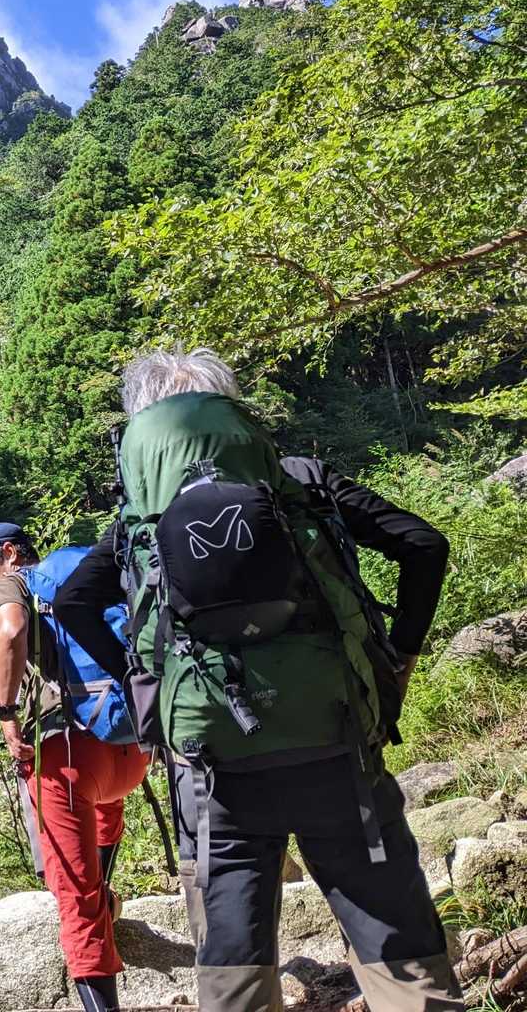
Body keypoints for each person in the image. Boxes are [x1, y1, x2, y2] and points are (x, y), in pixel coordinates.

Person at [54, 348, 462, 1012]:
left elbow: (74, 602)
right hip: (335, 747)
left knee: (235, 972)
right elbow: (423, 544)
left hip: (214, 775)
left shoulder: (140, 522)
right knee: (403, 955)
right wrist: (399, 661)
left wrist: (147, 689)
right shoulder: (302, 481)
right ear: (231, 412)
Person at [0, 525, 149, 1012]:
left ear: (8, 553)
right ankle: (105, 889)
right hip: (131, 749)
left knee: (75, 897)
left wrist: (6, 714)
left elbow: (11, 632)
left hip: (67, 758)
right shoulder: (85, 570)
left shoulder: (13, 583)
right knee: (103, 819)